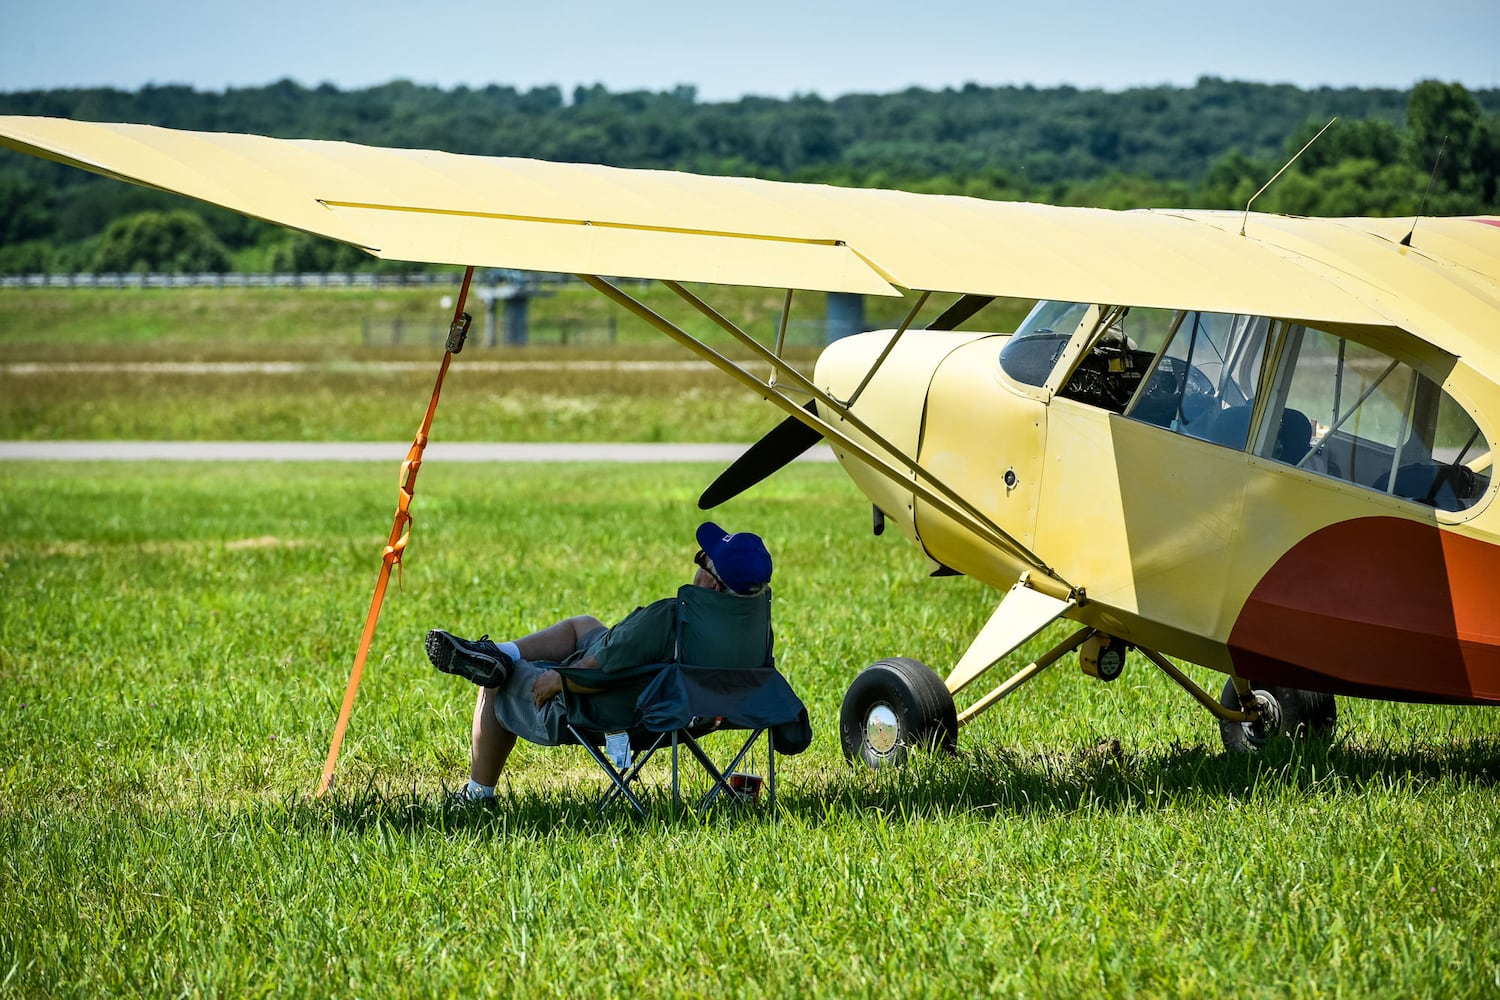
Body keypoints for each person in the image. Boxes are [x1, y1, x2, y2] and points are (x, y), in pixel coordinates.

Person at [425, 521, 774, 804]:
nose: (695, 566)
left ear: (712, 585)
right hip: (700, 716)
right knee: (584, 626)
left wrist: (558, 680)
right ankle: (501, 651)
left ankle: (476, 795)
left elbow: (599, 670)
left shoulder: (673, 618)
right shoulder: (756, 628)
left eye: (702, 560)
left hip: (623, 711)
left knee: (498, 680)